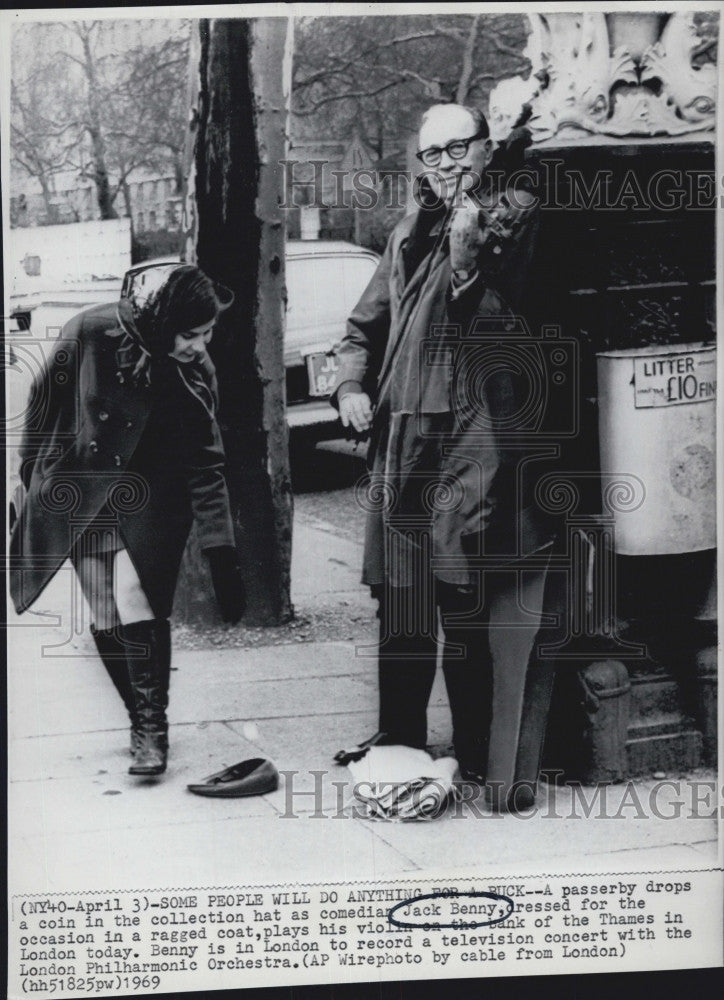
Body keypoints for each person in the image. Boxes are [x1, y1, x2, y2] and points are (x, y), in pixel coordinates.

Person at [332, 103, 565, 808]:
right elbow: (361, 328)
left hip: (471, 439)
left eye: (457, 149)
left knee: (461, 597)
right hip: (402, 444)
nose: (444, 165)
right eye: (430, 155)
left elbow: (520, 329)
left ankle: (475, 756)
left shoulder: (516, 221)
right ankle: (400, 742)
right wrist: (348, 386)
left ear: (487, 148)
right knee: (402, 603)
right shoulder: (408, 230)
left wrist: (468, 276)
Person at [10, 264, 247, 778]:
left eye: (208, 333)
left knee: (135, 595)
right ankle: (137, 720)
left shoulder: (194, 371)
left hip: (153, 494)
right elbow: (42, 403)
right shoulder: (89, 331)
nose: (200, 345)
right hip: (84, 479)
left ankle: (151, 730)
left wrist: (220, 548)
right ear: (160, 324)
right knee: (103, 607)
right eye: (190, 334)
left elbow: (206, 462)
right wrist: (30, 474)